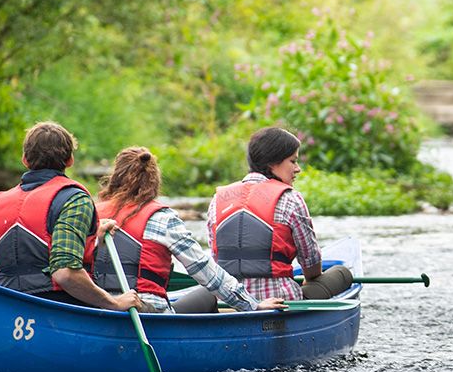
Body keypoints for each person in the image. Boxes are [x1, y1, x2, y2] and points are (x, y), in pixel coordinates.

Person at [87, 147, 284, 314]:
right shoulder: (161, 218)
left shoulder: (92, 213)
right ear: (154, 180)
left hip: (97, 306)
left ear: (115, 177)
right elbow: (205, 270)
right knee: (206, 294)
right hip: (145, 313)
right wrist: (252, 305)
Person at [0, 121, 143, 312]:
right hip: (59, 306)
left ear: (25, 159)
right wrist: (115, 303)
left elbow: (31, 253)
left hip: (8, 305)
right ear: (70, 161)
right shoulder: (74, 201)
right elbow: (65, 273)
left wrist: (93, 237)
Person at [206, 126, 353, 303]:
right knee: (342, 273)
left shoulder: (217, 200)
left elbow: (215, 258)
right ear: (272, 162)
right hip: (280, 300)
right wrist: (308, 278)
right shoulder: (290, 198)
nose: (297, 168)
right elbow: (311, 264)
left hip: (229, 299)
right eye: (293, 161)